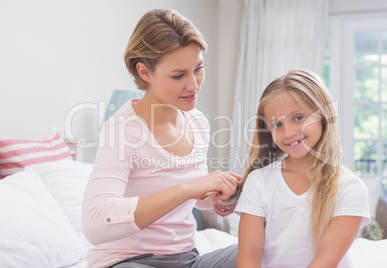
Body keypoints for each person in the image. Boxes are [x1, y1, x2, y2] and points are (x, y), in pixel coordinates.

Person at [82, 8, 241, 268]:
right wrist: (187, 190)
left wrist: (216, 197)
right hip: (130, 261)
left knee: (266, 252)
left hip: (188, 258)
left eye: (198, 69)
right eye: (178, 75)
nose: (193, 85)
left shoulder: (197, 122)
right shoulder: (123, 130)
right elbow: (96, 223)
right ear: (145, 72)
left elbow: (194, 196)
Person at [235, 69, 371, 268]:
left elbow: (325, 261)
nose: (289, 132)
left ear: (323, 116)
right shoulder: (258, 182)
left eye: (298, 118)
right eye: (277, 124)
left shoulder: (350, 187)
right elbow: (248, 258)